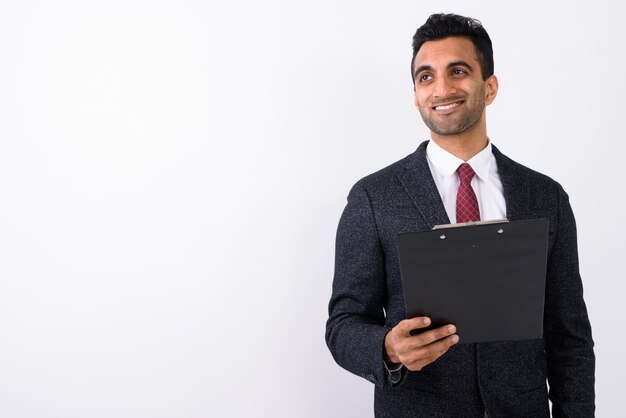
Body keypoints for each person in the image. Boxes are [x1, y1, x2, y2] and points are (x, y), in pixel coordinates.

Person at [325, 13, 595, 418]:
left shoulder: (545, 196)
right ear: (415, 94)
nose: (442, 88)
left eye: (458, 71)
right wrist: (387, 348)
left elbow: (568, 336)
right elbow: (343, 324)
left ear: (490, 87)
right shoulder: (373, 197)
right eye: (426, 77)